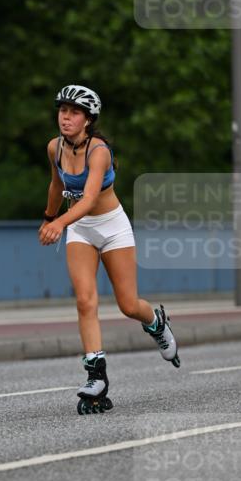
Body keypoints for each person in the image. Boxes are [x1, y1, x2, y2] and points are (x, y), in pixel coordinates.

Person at [39, 85, 179, 414]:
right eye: (63, 111)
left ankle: (156, 323)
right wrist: (48, 216)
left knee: (128, 305)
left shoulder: (98, 151)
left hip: (112, 227)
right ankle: (96, 375)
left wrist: (58, 224)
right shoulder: (54, 148)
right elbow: (57, 185)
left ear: (88, 119)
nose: (66, 117)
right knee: (85, 301)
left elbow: (88, 199)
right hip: (81, 230)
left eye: (74, 112)